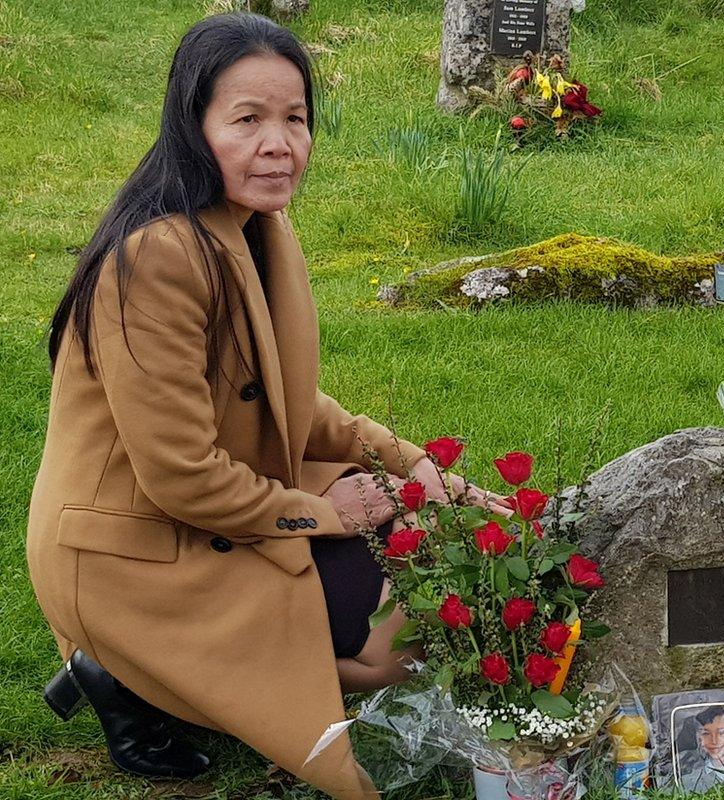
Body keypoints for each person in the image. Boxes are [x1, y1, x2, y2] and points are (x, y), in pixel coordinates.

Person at [26, 12, 509, 800]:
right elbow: (182, 477)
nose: (278, 143)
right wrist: (332, 512)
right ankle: (131, 674)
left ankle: (147, 680)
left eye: (295, 119)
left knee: (427, 548)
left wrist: (407, 462)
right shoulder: (155, 258)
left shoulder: (253, 226)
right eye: (246, 119)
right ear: (194, 125)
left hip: (198, 513)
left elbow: (286, 397)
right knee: (399, 637)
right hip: (132, 551)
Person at [679, 705, 724, 793]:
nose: (714, 741)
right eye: (706, 734)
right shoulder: (691, 774)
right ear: (699, 738)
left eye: (721, 733)